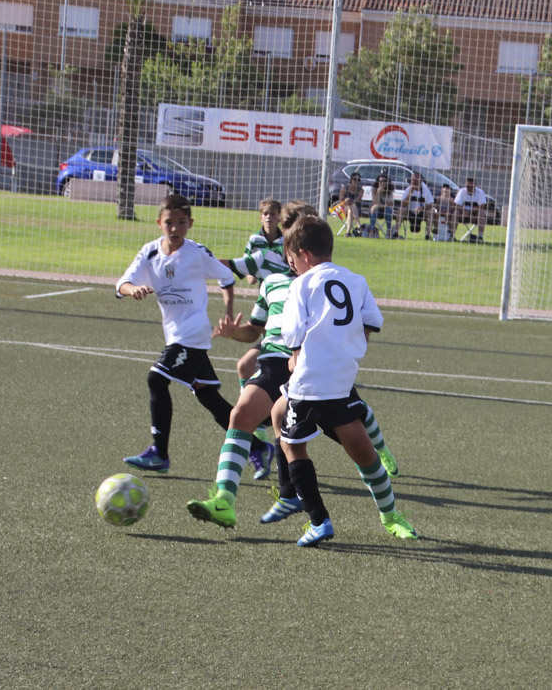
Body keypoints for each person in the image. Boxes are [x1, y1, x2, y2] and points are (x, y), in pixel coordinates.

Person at [185, 202, 403, 533]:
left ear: (300, 249)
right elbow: (256, 331)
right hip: (278, 360)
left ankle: (375, 496)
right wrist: (233, 333)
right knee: (242, 415)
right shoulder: (273, 282)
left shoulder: (317, 281)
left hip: (315, 366)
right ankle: (225, 501)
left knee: (356, 438)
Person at [271, 215, 417, 546]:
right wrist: (345, 345)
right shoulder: (356, 280)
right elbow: (370, 322)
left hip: (308, 385)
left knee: (292, 446)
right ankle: (391, 517)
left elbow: (292, 333)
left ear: (303, 254)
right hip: (340, 381)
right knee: (365, 456)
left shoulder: (301, 284)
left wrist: (295, 355)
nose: (292, 266)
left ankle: (319, 520)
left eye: (292, 260)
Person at [118, 194, 236, 474]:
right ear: (159, 223)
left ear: (190, 224)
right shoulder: (150, 253)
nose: (175, 228)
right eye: (169, 222)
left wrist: (228, 312)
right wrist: (133, 289)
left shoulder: (197, 253)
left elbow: (227, 277)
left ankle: (159, 453)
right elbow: (122, 282)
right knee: (209, 398)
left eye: (181, 223)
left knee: (156, 379)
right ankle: (258, 448)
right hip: (174, 335)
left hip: (193, 334)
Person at [221, 198, 286, 480]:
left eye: (274, 214)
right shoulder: (257, 246)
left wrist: (200, 262)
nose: (270, 218)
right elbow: (246, 265)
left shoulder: (285, 255)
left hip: (291, 336)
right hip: (273, 319)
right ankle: (259, 444)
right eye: (266, 214)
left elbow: (240, 264)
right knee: (245, 367)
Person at [393, 171, 434, 239]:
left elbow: (431, 204)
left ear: (420, 181)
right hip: (410, 212)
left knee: (431, 211)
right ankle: (396, 232)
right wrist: (410, 193)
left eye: (416, 180)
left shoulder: (425, 189)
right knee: (401, 210)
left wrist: (422, 208)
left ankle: (428, 235)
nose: (414, 182)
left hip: (422, 213)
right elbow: (403, 204)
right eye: (413, 180)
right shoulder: (408, 189)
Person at [455, 176, 489, 244]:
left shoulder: (480, 192)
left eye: (471, 186)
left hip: (475, 214)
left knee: (481, 213)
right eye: (467, 186)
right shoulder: (462, 191)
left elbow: (482, 206)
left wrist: (469, 211)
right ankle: (452, 235)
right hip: (463, 214)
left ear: (475, 186)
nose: (469, 188)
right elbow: (457, 205)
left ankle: (480, 236)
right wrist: (464, 211)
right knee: (455, 212)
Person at [364, 171, 395, 238]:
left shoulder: (390, 191)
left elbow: (390, 204)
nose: (382, 183)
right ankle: (371, 231)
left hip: (386, 210)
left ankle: (388, 231)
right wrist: (378, 192)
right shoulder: (374, 189)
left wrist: (378, 205)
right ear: (378, 182)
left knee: (388, 210)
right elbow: (375, 203)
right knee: (374, 210)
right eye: (380, 181)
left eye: (384, 181)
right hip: (377, 210)